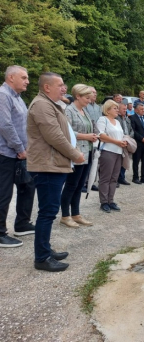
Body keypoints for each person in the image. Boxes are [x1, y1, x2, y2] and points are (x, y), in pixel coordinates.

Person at [27, 72, 85, 272]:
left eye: (64, 84)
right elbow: (55, 137)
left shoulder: (51, 104)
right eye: (59, 85)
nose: (64, 88)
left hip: (53, 164)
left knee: (49, 211)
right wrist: (75, 154)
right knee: (47, 212)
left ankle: (46, 249)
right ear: (46, 87)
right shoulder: (42, 105)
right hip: (47, 166)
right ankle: (42, 258)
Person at [0, 66, 36, 248]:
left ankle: (22, 223)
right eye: (24, 77)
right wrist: (20, 148)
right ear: (11, 77)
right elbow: (5, 125)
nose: (27, 81)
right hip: (6, 154)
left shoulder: (18, 97)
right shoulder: (3, 95)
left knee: (28, 186)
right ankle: (0, 233)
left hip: (21, 153)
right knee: (4, 193)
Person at [60, 84, 98, 227]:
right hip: (76, 153)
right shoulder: (69, 111)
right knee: (71, 185)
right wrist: (86, 136)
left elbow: (90, 128)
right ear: (78, 96)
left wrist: (93, 136)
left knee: (79, 185)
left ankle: (76, 213)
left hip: (87, 152)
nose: (89, 100)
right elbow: (66, 132)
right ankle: (65, 215)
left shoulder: (85, 111)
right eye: (87, 97)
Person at [96, 100, 127, 213]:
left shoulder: (117, 122)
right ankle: (104, 202)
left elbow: (122, 135)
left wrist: (124, 142)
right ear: (108, 110)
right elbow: (102, 136)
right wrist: (117, 142)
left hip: (119, 152)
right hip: (108, 151)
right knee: (105, 177)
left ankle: (111, 200)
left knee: (114, 178)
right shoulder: (103, 120)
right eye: (115, 108)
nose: (117, 110)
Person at [129, 103, 144, 184]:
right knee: (136, 160)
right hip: (138, 142)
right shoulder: (132, 118)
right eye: (141, 109)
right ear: (136, 110)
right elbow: (133, 131)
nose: (143, 111)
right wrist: (142, 138)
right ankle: (135, 177)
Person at [117, 103, 134, 185]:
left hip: (127, 142)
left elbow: (132, 130)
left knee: (125, 160)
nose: (125, 110)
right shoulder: (116, 119)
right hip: (120, 142)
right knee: (119, 161)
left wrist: (128, 138)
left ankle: (122, 177)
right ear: (118, 109)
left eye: (126, 109)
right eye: (123, 109)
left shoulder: (127, 119)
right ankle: (117, 178)